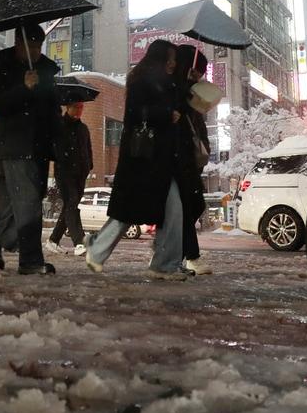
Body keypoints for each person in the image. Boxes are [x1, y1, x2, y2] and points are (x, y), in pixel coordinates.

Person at [84, 39, 187, 280]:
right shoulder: (141, 80)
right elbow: (135, 113)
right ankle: (98, 250)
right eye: (170, 59)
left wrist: (187, 80)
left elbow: (179, 97)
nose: (173, 63)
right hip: (142, 159)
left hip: (158, 161)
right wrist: (165, 114)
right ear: (159, 59)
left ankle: (164, 263)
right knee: (128, 211)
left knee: (171, 210)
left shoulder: (166, 83)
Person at [0, 23, 62, 274]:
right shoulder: (3, 69)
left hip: (39, 146)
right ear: (19, 45)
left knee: (25, 203)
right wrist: (23, 89)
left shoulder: (45, 71)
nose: (36, 52)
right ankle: (30, 260)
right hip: (16, 144)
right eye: (32, 47)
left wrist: (56, 142)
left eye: (39, 47)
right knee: (27, 204)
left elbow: (53, 109)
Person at [176, 47, 217, 275]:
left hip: (190, 159)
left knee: (193, 205)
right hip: (178, 157)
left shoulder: (191, 92)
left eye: (200, 74)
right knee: (187, 205)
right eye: (196, 72)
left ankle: (170, 252)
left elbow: (199, 128)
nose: (198, 78)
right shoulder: (176, 90)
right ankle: (189, 255)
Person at [47, 101, 92, 255]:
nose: (79, 110)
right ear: (68, 107)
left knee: (69, 207)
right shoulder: (59, 126)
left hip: (81, 174)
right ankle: (79, 241)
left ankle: (53, 240)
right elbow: (54, 150)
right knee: (72, 203)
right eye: (76, 107)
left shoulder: (83, 128)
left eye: (81, 107)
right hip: (65, 173)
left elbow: (88, 150)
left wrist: (88, 166)